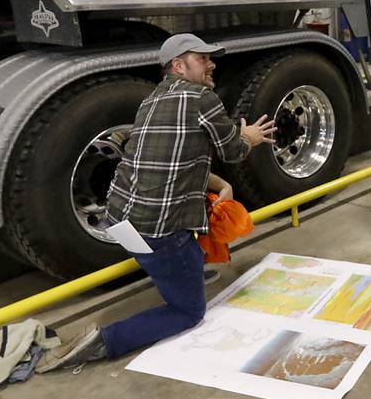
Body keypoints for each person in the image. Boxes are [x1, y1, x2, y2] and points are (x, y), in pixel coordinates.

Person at [36, 34, 277, 372]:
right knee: (188, 312)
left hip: (121, 223)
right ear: (179, 65)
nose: (212, 64)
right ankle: (104, 342)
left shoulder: (151, 100)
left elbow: (170, 158)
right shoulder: (201, 98)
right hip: (160, 233)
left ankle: (180, 269)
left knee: (188, 252)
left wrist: (220, 183)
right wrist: (249, 136)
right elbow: (233, 150)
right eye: (202, 58)